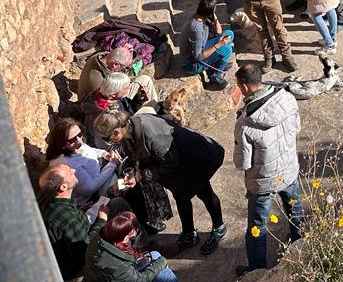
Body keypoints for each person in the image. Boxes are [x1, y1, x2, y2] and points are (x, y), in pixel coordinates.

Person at [93, 110, 226, 255]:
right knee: (181, 196)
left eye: (107, 138)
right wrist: (129, 174)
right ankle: (189, 234)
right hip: (179, 162)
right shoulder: (129, 129)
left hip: (196, 158)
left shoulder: (153, 136)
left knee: (204, 192)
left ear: (117, 132)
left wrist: (139, 176)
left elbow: (170, 164)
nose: (108, 142)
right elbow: (135, 155)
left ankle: (219, 227)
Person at [232, 64, 303, 276]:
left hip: (263, 181)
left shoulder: (244, 124)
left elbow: (242, 163)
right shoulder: (287, 99)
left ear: (244, 87)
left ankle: (257, 270)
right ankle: (301, 251)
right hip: (289, 170)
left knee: (257, 227)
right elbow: (297, 128)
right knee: (295, 214)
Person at [39, 163, 110, 280]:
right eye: (69, 172)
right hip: (78, 268)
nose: (73, 170)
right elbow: (86, 248)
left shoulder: (49, 200)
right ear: (63, 187)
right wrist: (101, 220)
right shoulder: (67, 219)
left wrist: (80, 209)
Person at [84, 211, 178, 282]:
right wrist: (161, 262)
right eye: (132, 230)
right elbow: (140, 280)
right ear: (123, 237)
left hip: (100, 277)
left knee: (155, 255)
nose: (135, 232)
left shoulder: (102, 236)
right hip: (119, 277)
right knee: (165, 274)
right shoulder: (117, 267)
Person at [46, 118, 121, 205]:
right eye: (72, 139)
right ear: (62, 144)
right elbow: (90, 188)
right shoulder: (67, 164)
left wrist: (105, 154)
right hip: (91, 197)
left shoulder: (75, 145)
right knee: (121, 185)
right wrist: (112, 164)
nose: (79, 140)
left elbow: (90, 150)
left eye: (80, 134)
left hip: (101, 173)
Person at [77, 46, 158, 116]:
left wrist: (125, 52)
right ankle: (153, 114)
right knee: (149, 110)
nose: (129, 87)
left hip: (111, 96)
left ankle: (154, 109)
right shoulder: (99, 83)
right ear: (115, 64)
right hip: (105, 108)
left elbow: (116, 56)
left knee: (145, 79)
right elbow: (119, 110)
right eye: (124, 68)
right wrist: (137, 102)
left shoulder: (102, 57)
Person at [181, 0, 235, 89]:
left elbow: (219, 33)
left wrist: (215, 17)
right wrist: (219, 44)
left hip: (202, 46)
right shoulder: (196, 29)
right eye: (214, 9)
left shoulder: (200, 16)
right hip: (192, 64)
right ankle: (215, 76)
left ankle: (218, 63)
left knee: (229, 34)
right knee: (227, 49)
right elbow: (198, 57)